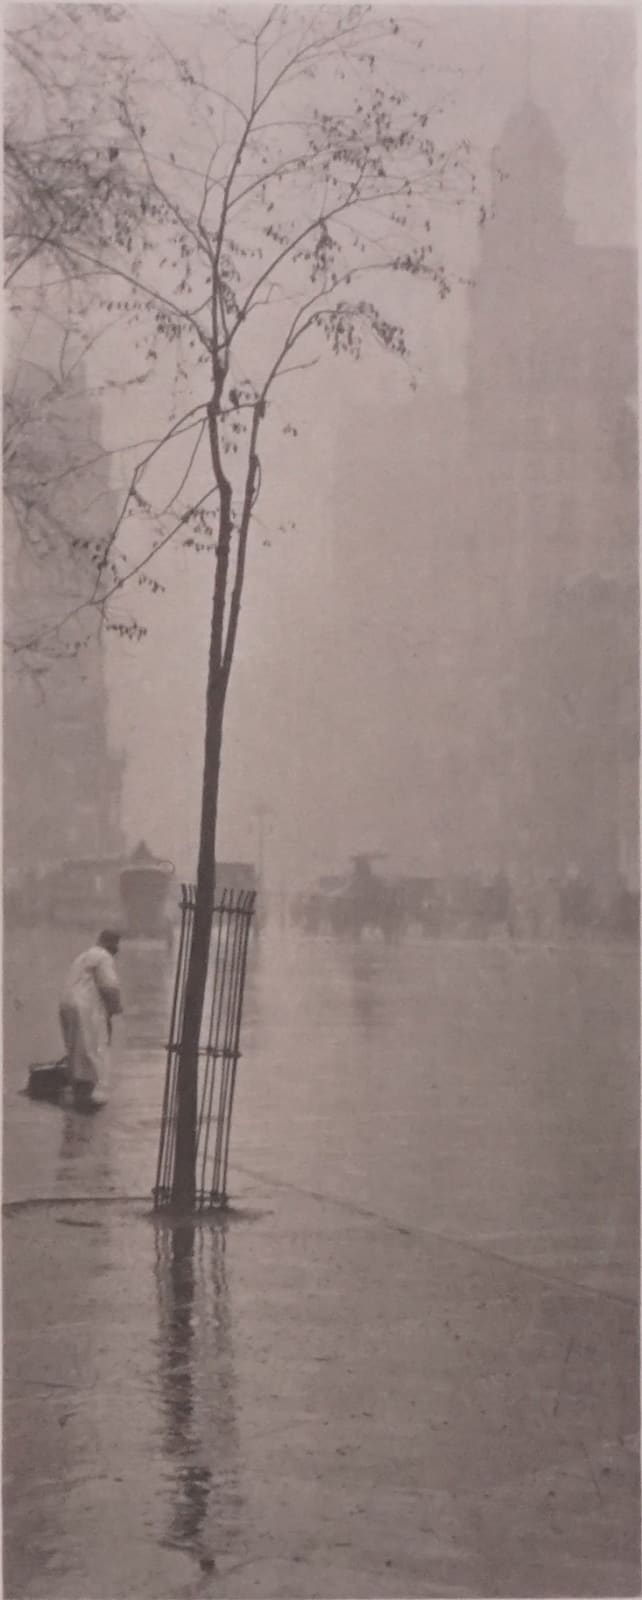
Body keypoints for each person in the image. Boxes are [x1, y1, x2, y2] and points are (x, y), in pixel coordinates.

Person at [59, 930, 123, 1108]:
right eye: (115, 945)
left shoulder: (83, 956)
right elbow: (110, 987)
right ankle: (85, 1101)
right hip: (85, 1006)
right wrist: (115, 1009)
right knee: (91, 1049)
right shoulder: (104, 957)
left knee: (75, 1050)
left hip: (66, 1004)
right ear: (112, 945)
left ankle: (76, 1095)